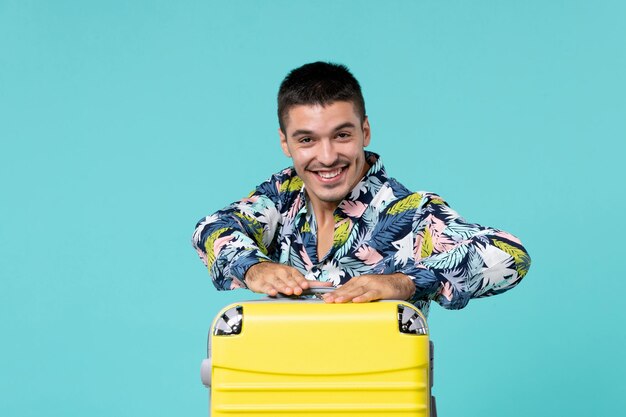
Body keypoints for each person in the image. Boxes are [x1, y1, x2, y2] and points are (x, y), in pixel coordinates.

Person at [192, 61, 530, 315]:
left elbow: (509, 255)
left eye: (341, 135)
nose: (326, 157)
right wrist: (254, 267)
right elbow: (211, 228)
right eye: (307, 139)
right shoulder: (281, 198)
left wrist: (402, 281)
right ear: (285, 142)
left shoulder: (411, 214)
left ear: (364, 132)